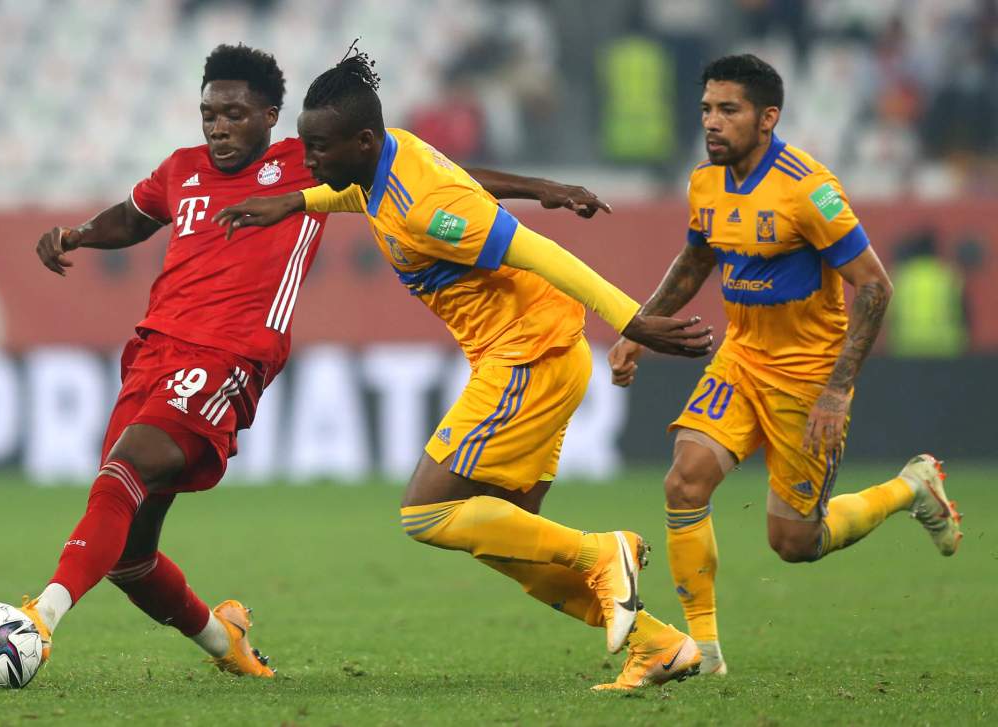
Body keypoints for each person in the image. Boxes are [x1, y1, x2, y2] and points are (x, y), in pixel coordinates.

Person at [20, 44, 637, 681]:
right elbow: (135, 216)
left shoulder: (314, 158)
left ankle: (37, 620)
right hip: (152, 350)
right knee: (126, 553)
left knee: (126, 469)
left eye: (234, 113)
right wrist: (78, 234)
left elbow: (442, 176)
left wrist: (544, 191)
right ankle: (223, 639)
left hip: (229, 355)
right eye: (208, 113)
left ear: (270, 116)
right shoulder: (182, 169)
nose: (218, 126)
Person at [215, 46, 716, 691]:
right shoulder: (389, 154)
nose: (309, 161)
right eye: (306, 147)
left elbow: (538, 251)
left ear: (364, 140)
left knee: (425, 515)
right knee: (509, 542)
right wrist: (297, 203)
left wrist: (631, 318)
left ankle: (603, 551)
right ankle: (657, 645)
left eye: (320, 149)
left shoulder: (424, 208)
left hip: (525, 355)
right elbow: (444, 182)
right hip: (543, 355)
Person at [605, 54, 963, 682]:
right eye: (707, 109)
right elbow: (695, 262)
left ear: (768, 118)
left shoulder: (808, 189)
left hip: (807, 374)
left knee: (796, 543)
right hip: (741, 357)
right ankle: (705, 653)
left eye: (728, 110)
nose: (712, 122)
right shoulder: (705, 182)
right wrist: (641, 328)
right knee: (683, 482)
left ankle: (911, 487)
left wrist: (837, 389)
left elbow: (875, 289)